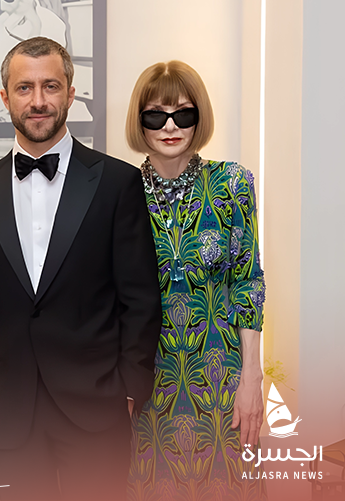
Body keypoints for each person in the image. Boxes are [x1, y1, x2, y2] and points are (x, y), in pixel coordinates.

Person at [0, 36, 162, 500]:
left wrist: (130, 389)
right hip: (10, 411)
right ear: (5, 97)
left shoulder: (118, 183)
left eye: (50, 86)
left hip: (98, 406)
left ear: (70, 93)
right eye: (24, 88)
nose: (38, 101)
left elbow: (140, 297)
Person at [125, 61, 266, 501]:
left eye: (183, 114)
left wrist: (252, 377)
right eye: (155, 115)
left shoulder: (232, 183)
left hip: (221, 375)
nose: (170, 127)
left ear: (199, 116)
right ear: (139, 121)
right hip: (144, 379)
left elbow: (248, 281)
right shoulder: (119, 191)